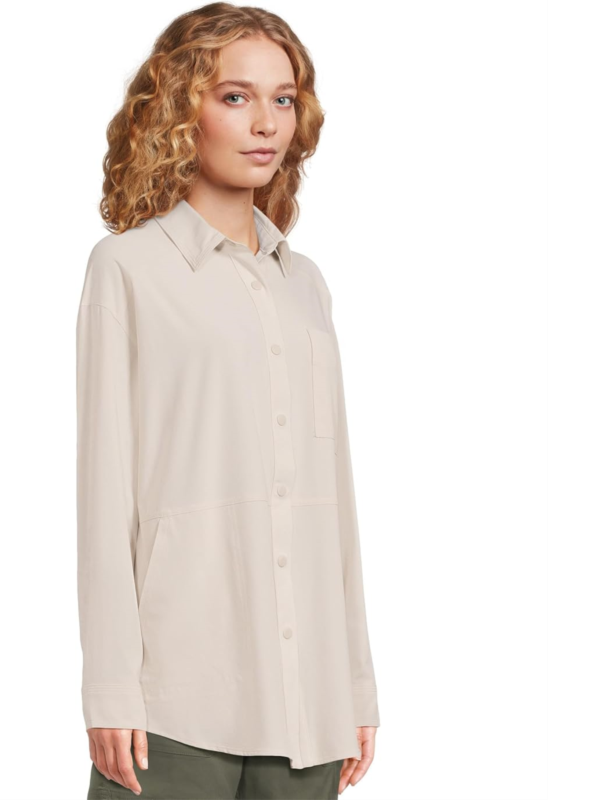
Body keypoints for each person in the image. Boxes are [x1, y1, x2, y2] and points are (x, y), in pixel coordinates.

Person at [76, 4, 380, 798]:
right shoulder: (128, 269)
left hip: (308, 701)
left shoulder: (305, 284)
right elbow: (106, 492)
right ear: (183, 108)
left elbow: (334, 498)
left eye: (283, 99)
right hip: (178, 698)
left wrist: (354, 682)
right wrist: (110, 686)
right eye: (235, 96)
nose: (266, 123)